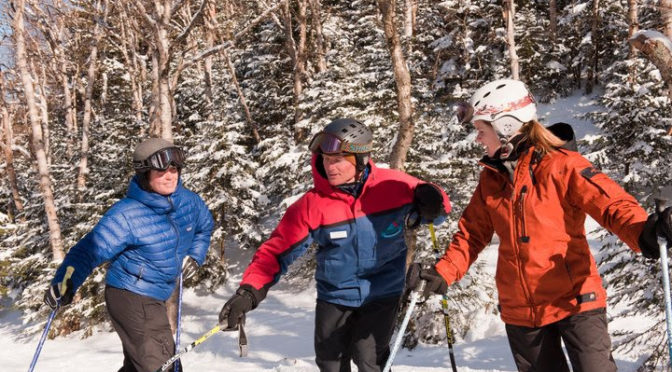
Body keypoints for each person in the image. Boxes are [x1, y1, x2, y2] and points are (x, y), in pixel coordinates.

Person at [405, 78, 672, 372]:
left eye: (481, 131)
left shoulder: (563, 165)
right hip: (522, 312)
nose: (478, 139)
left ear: (506, 126)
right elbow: (471, 235)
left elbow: (612, 205)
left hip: (576, 301)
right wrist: (442, 272)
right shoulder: (491, 179)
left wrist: (646, 232)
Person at [218, 118, 451, 372]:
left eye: (337, 159)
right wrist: (249, 292)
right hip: (335, 296)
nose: (330, 166)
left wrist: (433, 200)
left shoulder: (392, 185)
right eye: (326, 159)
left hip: (382, 292)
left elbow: (438, 212)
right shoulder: (312, 205)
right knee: (330, 363)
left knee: (369, 359)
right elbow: (276, 252)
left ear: (359, 159)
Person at [44, 138, 215, 372]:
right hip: (131, 295)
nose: (169, 175)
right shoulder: (126, 215)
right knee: (164, 367)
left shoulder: (189, 202)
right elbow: (88, 250)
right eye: (161, 170)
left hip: (157, 294)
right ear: (145, 175)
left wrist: (196, 255)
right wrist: (65, 282)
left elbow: (204, 227)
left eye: (173, 169)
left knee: (139, 366)